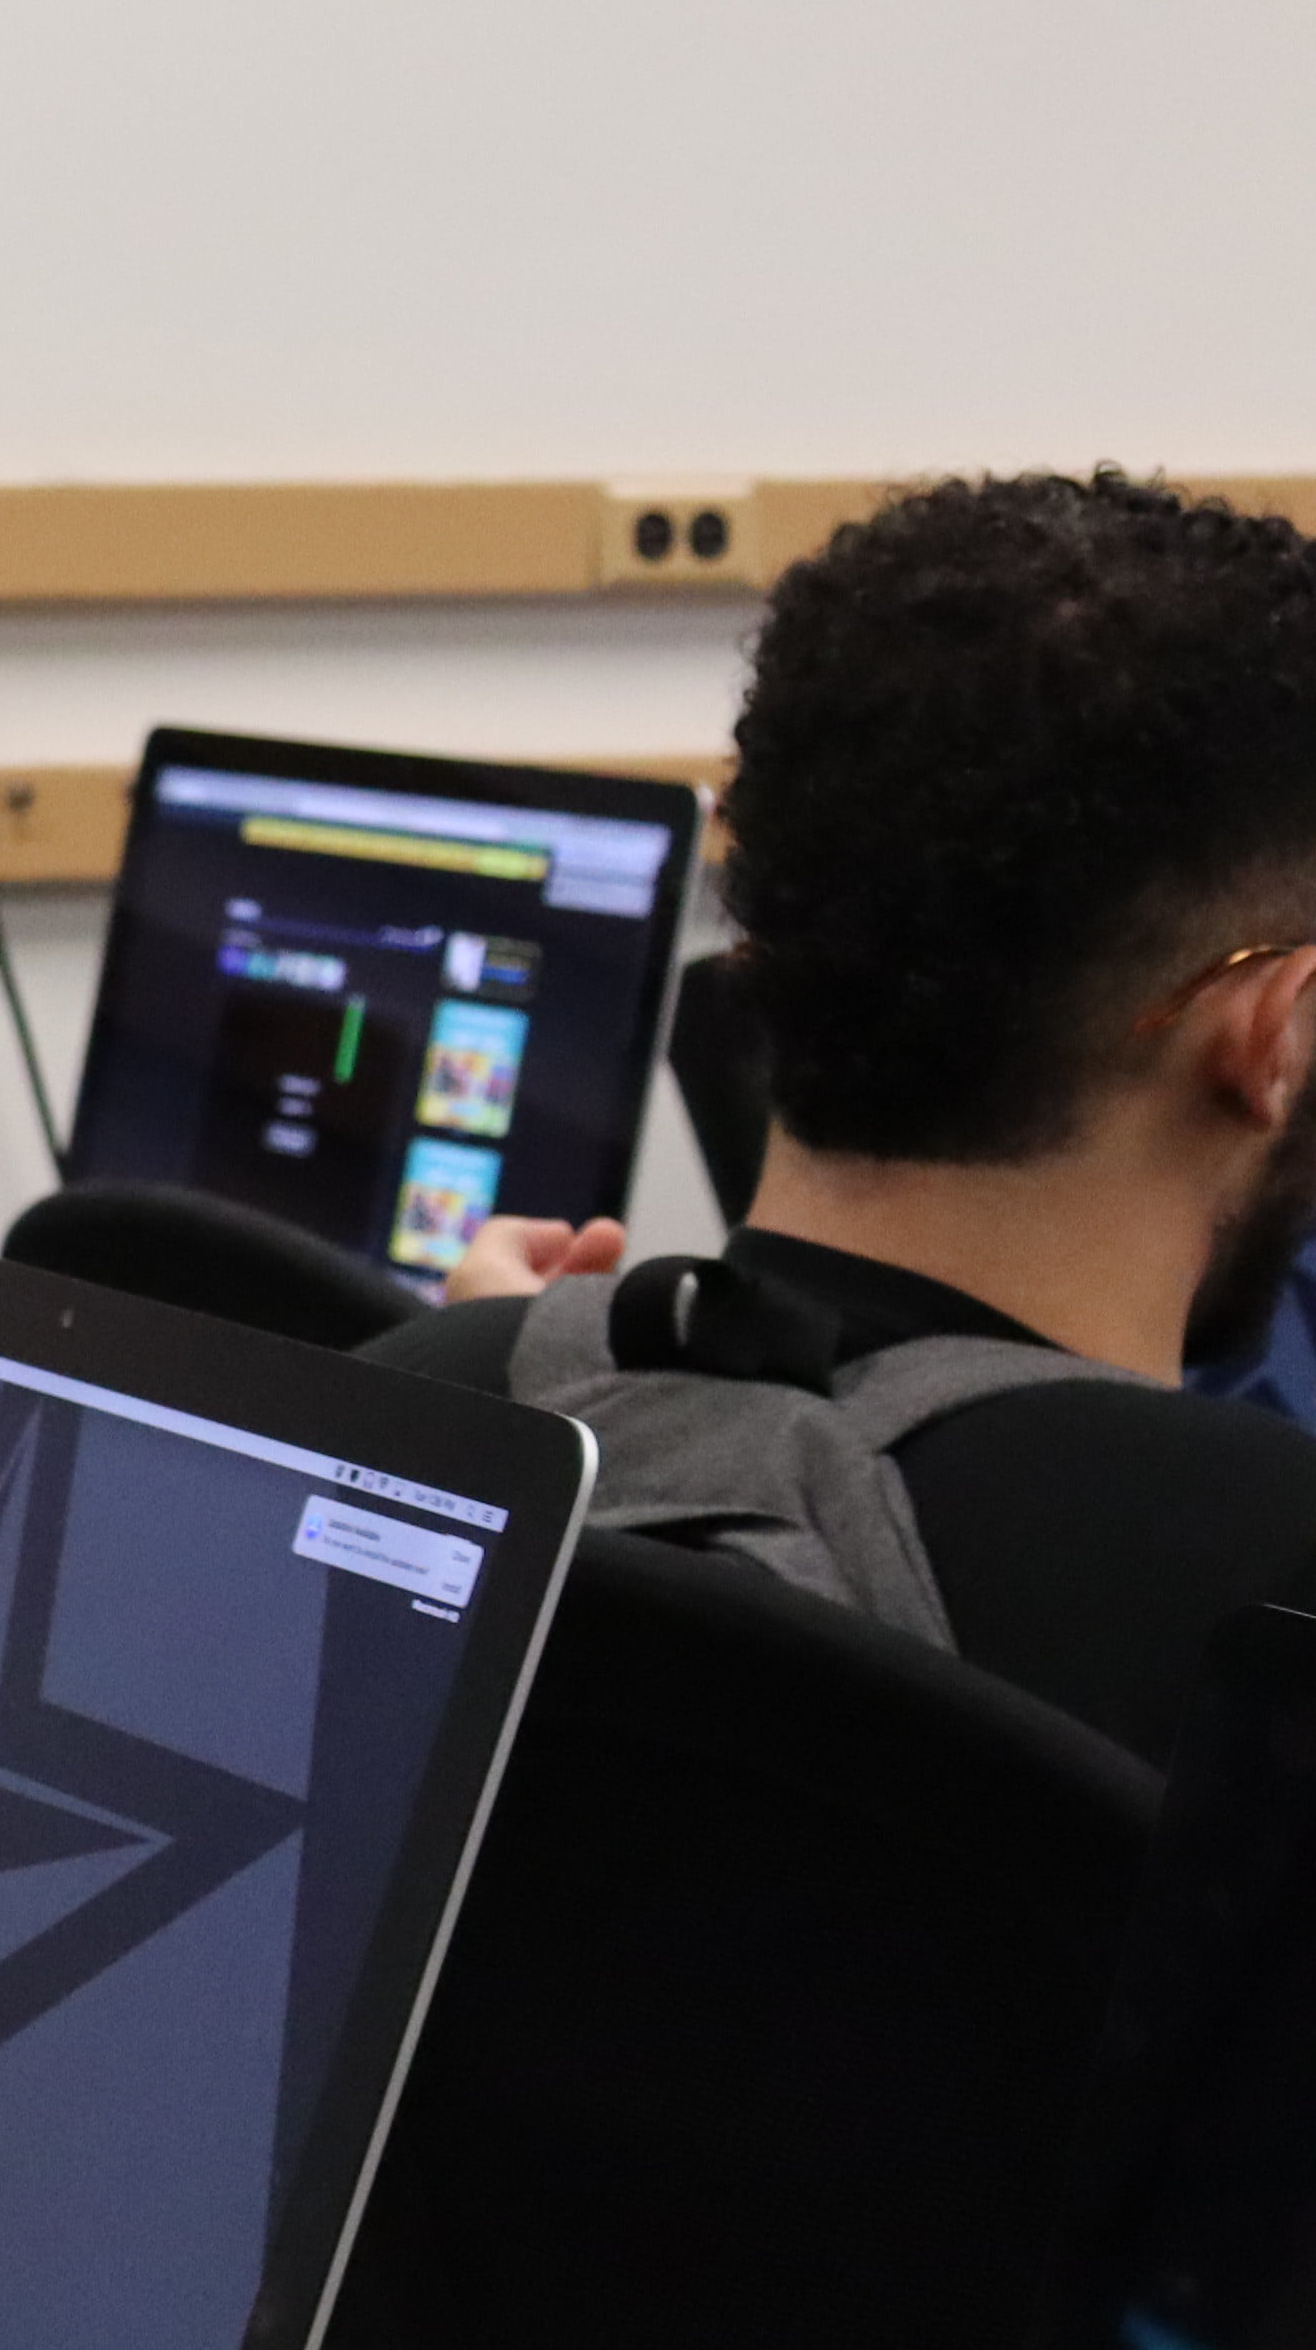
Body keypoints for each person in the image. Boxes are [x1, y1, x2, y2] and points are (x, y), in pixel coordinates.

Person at [377, 473, 1316, 1764]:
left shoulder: (418, 1416)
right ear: (1275, 1030)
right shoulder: (1267, 1587)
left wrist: (488, 1360)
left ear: (763, 947)